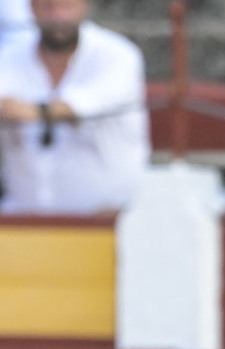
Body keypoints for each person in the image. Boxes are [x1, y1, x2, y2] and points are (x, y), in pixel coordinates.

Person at [0, 0, 148, 214]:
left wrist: (31, 112)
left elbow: (82, 105)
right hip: (24, 221)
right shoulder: (9, 57)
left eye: (66, 6)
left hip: (107, 221)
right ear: (31, 8)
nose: (58, 17)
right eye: (49, 6)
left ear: (84, 5)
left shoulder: (118, 55)